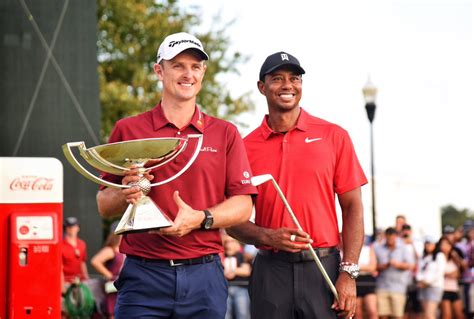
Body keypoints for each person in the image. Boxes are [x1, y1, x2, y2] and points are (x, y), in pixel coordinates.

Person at [96, 31, 256, 319]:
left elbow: (244, 205)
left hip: (204, 275)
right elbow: (104, 205)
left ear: (203, 72)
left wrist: (201, 218)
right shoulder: (128, 130)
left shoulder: (225, 133)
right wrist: (125, 193)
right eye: (178, 65)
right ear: (159, 71)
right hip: (143, 276)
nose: (188, 74)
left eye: (195, 66)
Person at [228, 51, 367, 319]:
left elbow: (353, 208)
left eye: (294, 78)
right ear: (262, 87)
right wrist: (266, 236)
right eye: (277, 79)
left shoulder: (333, 136)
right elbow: (232, 219)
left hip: (323, 266)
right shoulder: (245, 148)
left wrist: (348, 273)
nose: (287, 85)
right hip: (270, 270)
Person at [374, 227, 416, 319]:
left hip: (399, 287)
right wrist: (383, 266)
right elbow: (374, 266)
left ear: (396, 237)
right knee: (382, 315)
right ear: (385, 237)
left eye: (392, 238)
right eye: (388, 238)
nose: (390, 240)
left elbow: (411, 265)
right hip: (382, 286)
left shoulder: (403, 248)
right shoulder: (378, 248)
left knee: (397, 315)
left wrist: (398, 265)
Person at [90, 227, 125, 319]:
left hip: (121, 285)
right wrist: (109, 275)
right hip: (112, 285)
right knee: (112, 311)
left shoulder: (122, 249)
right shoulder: (110, 250)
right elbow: (95, 261)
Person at [222, 233, 251, 319]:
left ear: (237, 244)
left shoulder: (242, 256)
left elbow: (246, 271)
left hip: (240, 289)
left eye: (231, 242)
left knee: (242, 314)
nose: (228, 245)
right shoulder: (221, 256)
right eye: (226, 242)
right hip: (225, 290)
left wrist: (232, 271)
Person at [416, 236, 446, 319]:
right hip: (423, 287)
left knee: (430, 314)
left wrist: (427, 282)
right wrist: (421, 281)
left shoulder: (440, 256)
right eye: (426, 243)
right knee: (425, 314)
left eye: (430, 244)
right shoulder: (423, 257)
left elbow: (439, 273)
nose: (428, 246)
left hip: (434, 287)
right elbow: (419, 271)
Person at [440, 235, 465, 319]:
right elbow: (440, 273)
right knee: (447, 315)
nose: (445, 247)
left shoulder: (453, 258)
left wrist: (457, 257)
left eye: (447, 244)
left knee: (459, 315)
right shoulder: (439, 258)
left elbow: (459, 273)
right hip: (443, 290)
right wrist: (450, 274)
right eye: (443, 244)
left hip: (454, 289)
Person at [62, 217, 89, 288]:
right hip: (66, 282)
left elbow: (82, 263)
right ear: (66, 229)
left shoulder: (82, 244)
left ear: (78, 228)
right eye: (69, 227)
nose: (72, 229)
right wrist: (61, 284)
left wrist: (86, 278)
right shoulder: (60, 245)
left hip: (80, 281)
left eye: (74, 226)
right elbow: (59, 267)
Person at [355, 235, 378, 319]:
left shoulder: (368, 249)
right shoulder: (349, 250)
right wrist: (365, 267)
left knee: (372, 311)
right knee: (357, 312)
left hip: (368, 282)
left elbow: (373, 267)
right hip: (356, 281)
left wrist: (356, 267)